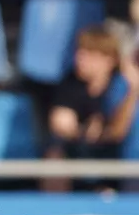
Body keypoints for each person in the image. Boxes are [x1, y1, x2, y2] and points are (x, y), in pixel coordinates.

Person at [44, 27, 139, 192]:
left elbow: (118, 131)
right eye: (80, 52)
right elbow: (61, 123)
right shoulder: (71, 82)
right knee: (54, 155)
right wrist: (83, 132)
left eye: (89, 54)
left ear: (109, 59)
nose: (80, 59)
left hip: (116, 153)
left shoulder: (120, 86)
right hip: (80, 150)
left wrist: (103, 132)